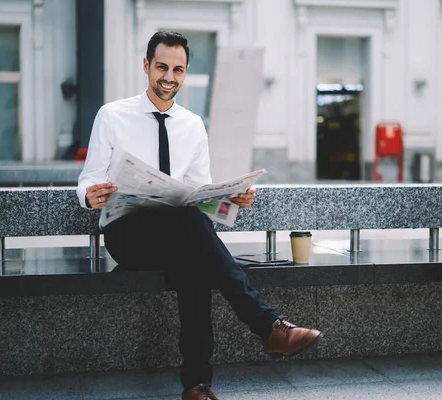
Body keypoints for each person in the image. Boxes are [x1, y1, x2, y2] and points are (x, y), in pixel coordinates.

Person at [76, 31, 322, 400]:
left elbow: (198, 193)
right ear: (146, 66)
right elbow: (90, 178)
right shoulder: (112, 116)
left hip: (178, 233)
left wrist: (231, 197)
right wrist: (89, 194)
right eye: (161, 67)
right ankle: (267, 326)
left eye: (178, 69)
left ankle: (197, 385)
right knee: (192, 237)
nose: (169, 77)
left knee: (193, 250)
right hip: (129, 237)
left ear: (186, 72)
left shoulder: (192, 126)